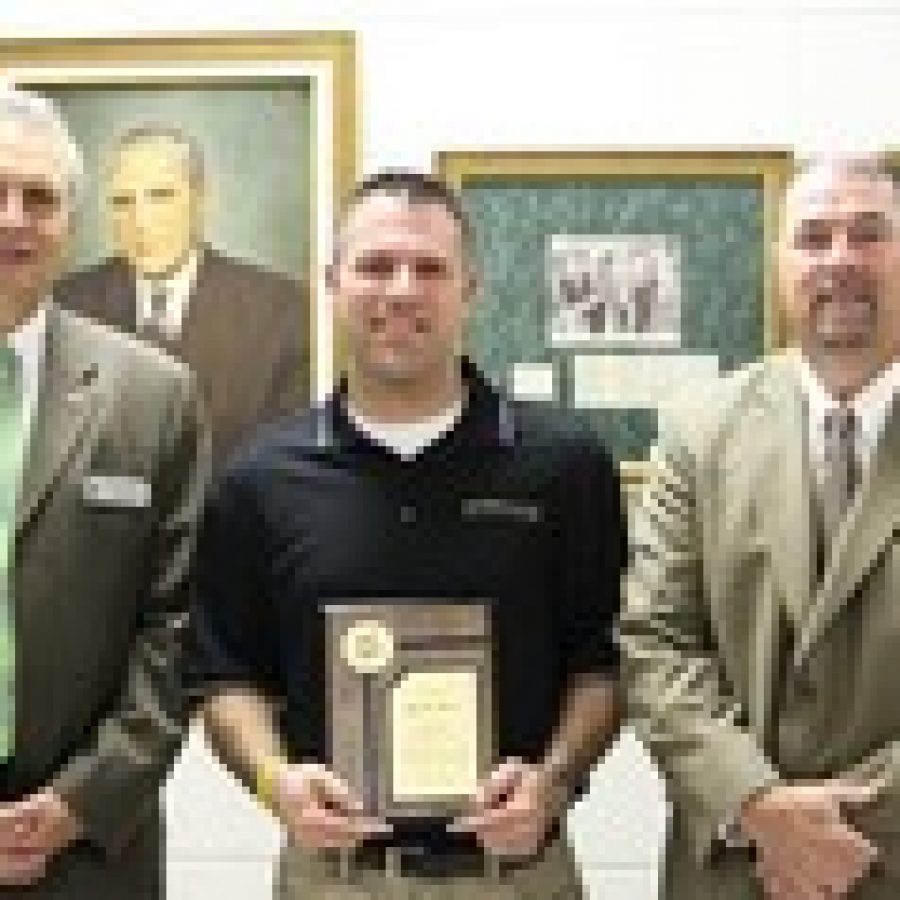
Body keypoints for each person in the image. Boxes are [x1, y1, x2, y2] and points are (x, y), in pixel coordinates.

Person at [191, 170, 625, 898]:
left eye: (429, 269)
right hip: (331, 880)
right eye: (374, 266)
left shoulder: (564, 466)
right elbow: (226, 675)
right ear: (332, 284)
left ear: (470, 290)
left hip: (519, 877)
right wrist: (276, 784)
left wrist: (552, 784)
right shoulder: (258, 479)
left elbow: (603, 665)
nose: (401, 291)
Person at [620, 154, 900, 900]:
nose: (840, 259)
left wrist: (850, 829)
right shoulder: (699, 431)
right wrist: (759, 805)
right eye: (814, 237)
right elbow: (655, 644)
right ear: (779, 265)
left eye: (869, 234)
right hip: (734, 869)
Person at [0, 89, 207, 898]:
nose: (14, 217)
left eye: (40, 198)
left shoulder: (153, 395)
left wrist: (81, 800)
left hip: (88, 851)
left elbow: (177, 622)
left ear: (72, 224)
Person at [55, 123, 307, 469]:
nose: (141, 221)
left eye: (161, 196)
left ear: (201, 200)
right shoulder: (65, 303)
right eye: (122, 202)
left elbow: (290, 465)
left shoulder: (282, 310)